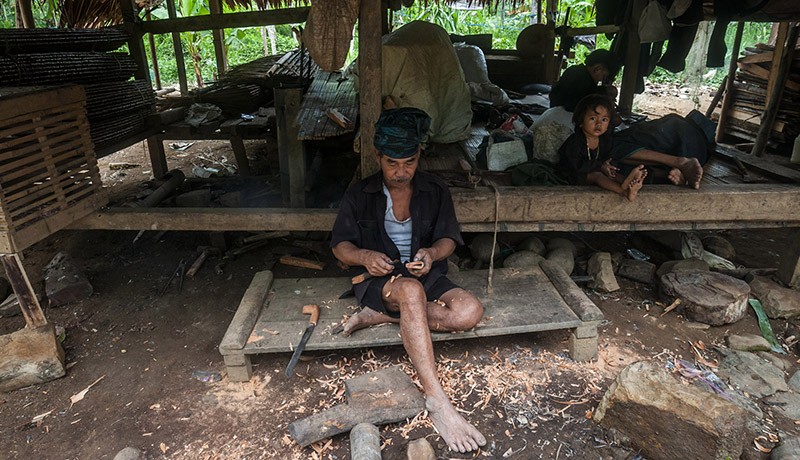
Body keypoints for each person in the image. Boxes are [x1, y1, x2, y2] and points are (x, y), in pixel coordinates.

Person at [330, 107, 487, 453]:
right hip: (381, 280)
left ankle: (384, 317)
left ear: (419, 156)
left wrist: (431, 253)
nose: (401, 172)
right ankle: (437, 401)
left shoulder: (434, 189)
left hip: (424, 273)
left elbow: (448, 237)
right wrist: (365, 257)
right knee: (410, 291)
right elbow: (340, 247)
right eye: (392, 163)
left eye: (410, 162)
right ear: (377, 156)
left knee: (468, 312)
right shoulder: (360, 193)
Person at [557, 94, 647, 201]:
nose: (599, 124)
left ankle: (629, 182)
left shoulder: (605, 140)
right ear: (581, 121)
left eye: (604, 120)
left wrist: (608, 166)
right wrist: (600, 166)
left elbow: (608, 158)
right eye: (593, 118)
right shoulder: (575, 141)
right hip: (571, 175)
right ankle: (624, 191)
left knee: (612, 173)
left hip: (597, 169)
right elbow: (576, 166)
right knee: (597, 175)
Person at [549, 49, 621, 112]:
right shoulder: (583, 80)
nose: (601, 80)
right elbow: (574, 106)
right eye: (605, 76)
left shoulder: (576, 70)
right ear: (598, 69)